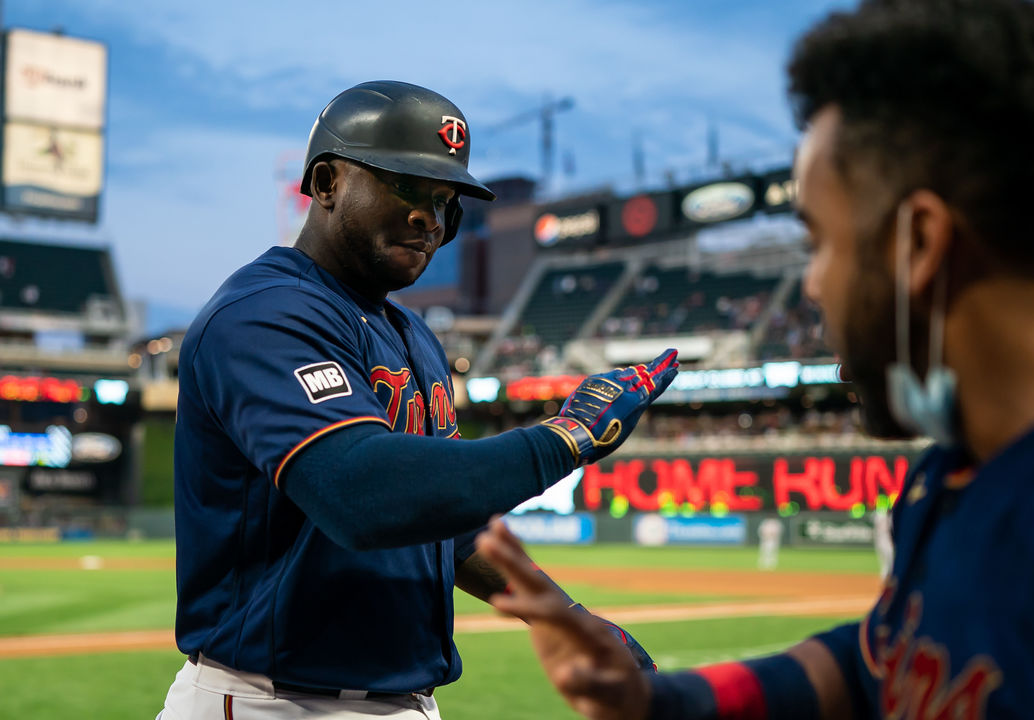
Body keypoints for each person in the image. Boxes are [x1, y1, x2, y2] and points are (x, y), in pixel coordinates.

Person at [473, 1, 1034, 717]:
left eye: (821, 243)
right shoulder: (962, 466)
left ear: (920, 243)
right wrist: (663, 702)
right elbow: (886, 664)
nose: (813, 288)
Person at [157, 80, 677, 719]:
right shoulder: (264, 314)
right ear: (326, 184)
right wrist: (564, 438)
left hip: (408, 700)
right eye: (406, 186)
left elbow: (449, 526)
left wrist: (564, 616)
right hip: (275, 702)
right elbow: (359, 493)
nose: (430, 217)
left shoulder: (414, 337)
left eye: (445, 200)